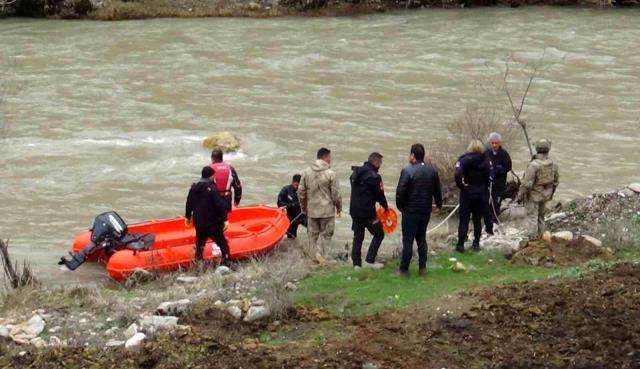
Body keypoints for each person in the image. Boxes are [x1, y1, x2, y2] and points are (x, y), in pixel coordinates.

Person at [396, 144, 443, 276]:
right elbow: (437, 191)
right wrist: (439, 205)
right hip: (425, 211)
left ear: (412, 156)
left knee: (408, 241)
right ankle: (422, 268)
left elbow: (400, 192)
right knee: (421, 239)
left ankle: (404, 269)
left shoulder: (407, 171)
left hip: (410, 212)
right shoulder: (432, 171)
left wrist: (401, 207)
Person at [298, 148, 342, 263]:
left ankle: (313, 258)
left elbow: (301, 191)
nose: (330, 159)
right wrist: (339, 207)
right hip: (327, 211)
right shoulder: (331, 173)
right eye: (329, 157)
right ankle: (325, 258)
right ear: (325, 157)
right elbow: (336, 194)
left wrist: (303, 206)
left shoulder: (306, 172)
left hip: (312, 210)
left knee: (312, 236)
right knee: (326, 236)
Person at [349, 152, 389, 270]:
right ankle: (369, 260)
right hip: (368, 213)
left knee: (358, 236)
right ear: (375, 162)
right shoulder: (374, 177)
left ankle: (356, 264)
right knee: (379, 233)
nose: (380, 165)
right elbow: (379, 195)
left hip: (354, 211)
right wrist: (385, 207)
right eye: (380, 163)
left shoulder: (355, 173)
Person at [185, 166, 230, 265]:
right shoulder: (213, 189)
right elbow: (219, 205)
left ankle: (199, 263)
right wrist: (225, 219)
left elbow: (189, 204)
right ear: (211, 176)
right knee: (223, 244)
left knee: (200, 245)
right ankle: (226, 261)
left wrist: (188, 217)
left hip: (199, 223)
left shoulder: (193, 189)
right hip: (212, 223)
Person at [517, 139, 559, 240]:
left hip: (534, 196)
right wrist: (550, 193)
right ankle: (541, 238)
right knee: (541, 218)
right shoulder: (553, 164)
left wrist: (520, 195)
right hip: (546, 195)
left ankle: (532, 240)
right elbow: (556, 182)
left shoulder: (533, 165)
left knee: (532, 218)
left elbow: (526, 184)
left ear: (537, 149)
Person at [455, 139, 493, 253]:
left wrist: (461, 186)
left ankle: (460, 245)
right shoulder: (486, 160)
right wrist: (485, 186)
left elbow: (457, 174)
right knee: (477, 219)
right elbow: (491, 175)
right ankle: (476, 243)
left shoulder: (464, 160)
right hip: (480, 192)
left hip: (467, 191)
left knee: (464, 220)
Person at [484, 132, 512, 222]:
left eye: (496, 143)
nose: (494, 145)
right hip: (488, 183)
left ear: (499, 143)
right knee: (487, 203)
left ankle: (494, 220)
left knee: (496, 204)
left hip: (499, 184)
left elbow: (508, 167)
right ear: (490, 143)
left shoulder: (504, 154)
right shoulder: (486, 153)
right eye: (493, 143)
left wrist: (497, 170)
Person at [209, 149, 242, 214]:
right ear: (222, 158)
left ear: (212, 159)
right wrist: (237, 201)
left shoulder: (209, 169)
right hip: (226, 201)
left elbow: (203, 187)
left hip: (213, 201)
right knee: (224, 219)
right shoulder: (230, 168)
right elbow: (238, 186)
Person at [277, 174, 307, 239]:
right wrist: (293, 205)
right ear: (292, 182)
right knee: (291, 238)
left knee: (314, 230)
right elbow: (280, 203)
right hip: (291, 217)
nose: (298, 187)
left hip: (302, 215)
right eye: (296, 185)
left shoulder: (304, 191)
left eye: (300, 185)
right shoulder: (285, 190)